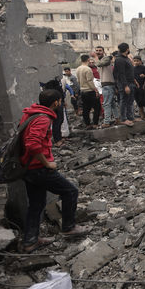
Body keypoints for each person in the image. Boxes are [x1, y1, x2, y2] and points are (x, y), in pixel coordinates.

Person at [19, 89, 88, 252]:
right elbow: (32, 144)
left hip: (27, 168)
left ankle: (30, 241)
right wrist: (47, 163)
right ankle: (69, 228)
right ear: (56, 102)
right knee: (70, 191)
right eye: (60, 101)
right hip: (38, 168)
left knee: (36, 204)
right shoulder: (43, 118)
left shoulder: (31, 114)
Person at [113, 43, 135, 126]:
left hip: (130, 82)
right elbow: (121, 74)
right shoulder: (119, 60)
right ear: (127, 49)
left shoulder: (126, 58)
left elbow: (129, 71)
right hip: (124, 84)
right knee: (124, 101)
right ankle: (123, 118)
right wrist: (125, 86)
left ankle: (131, 117)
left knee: (130, 101)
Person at [76, 55, 100, 129]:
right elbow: (90, 81)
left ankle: (87, 124)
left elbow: (78, 81)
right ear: (88, 60)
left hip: (83, 91)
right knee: (97, 107)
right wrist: (95, 90)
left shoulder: (78, 69)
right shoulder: (88, 69)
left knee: (86, 109)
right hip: (90, 91)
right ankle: (95, 123)